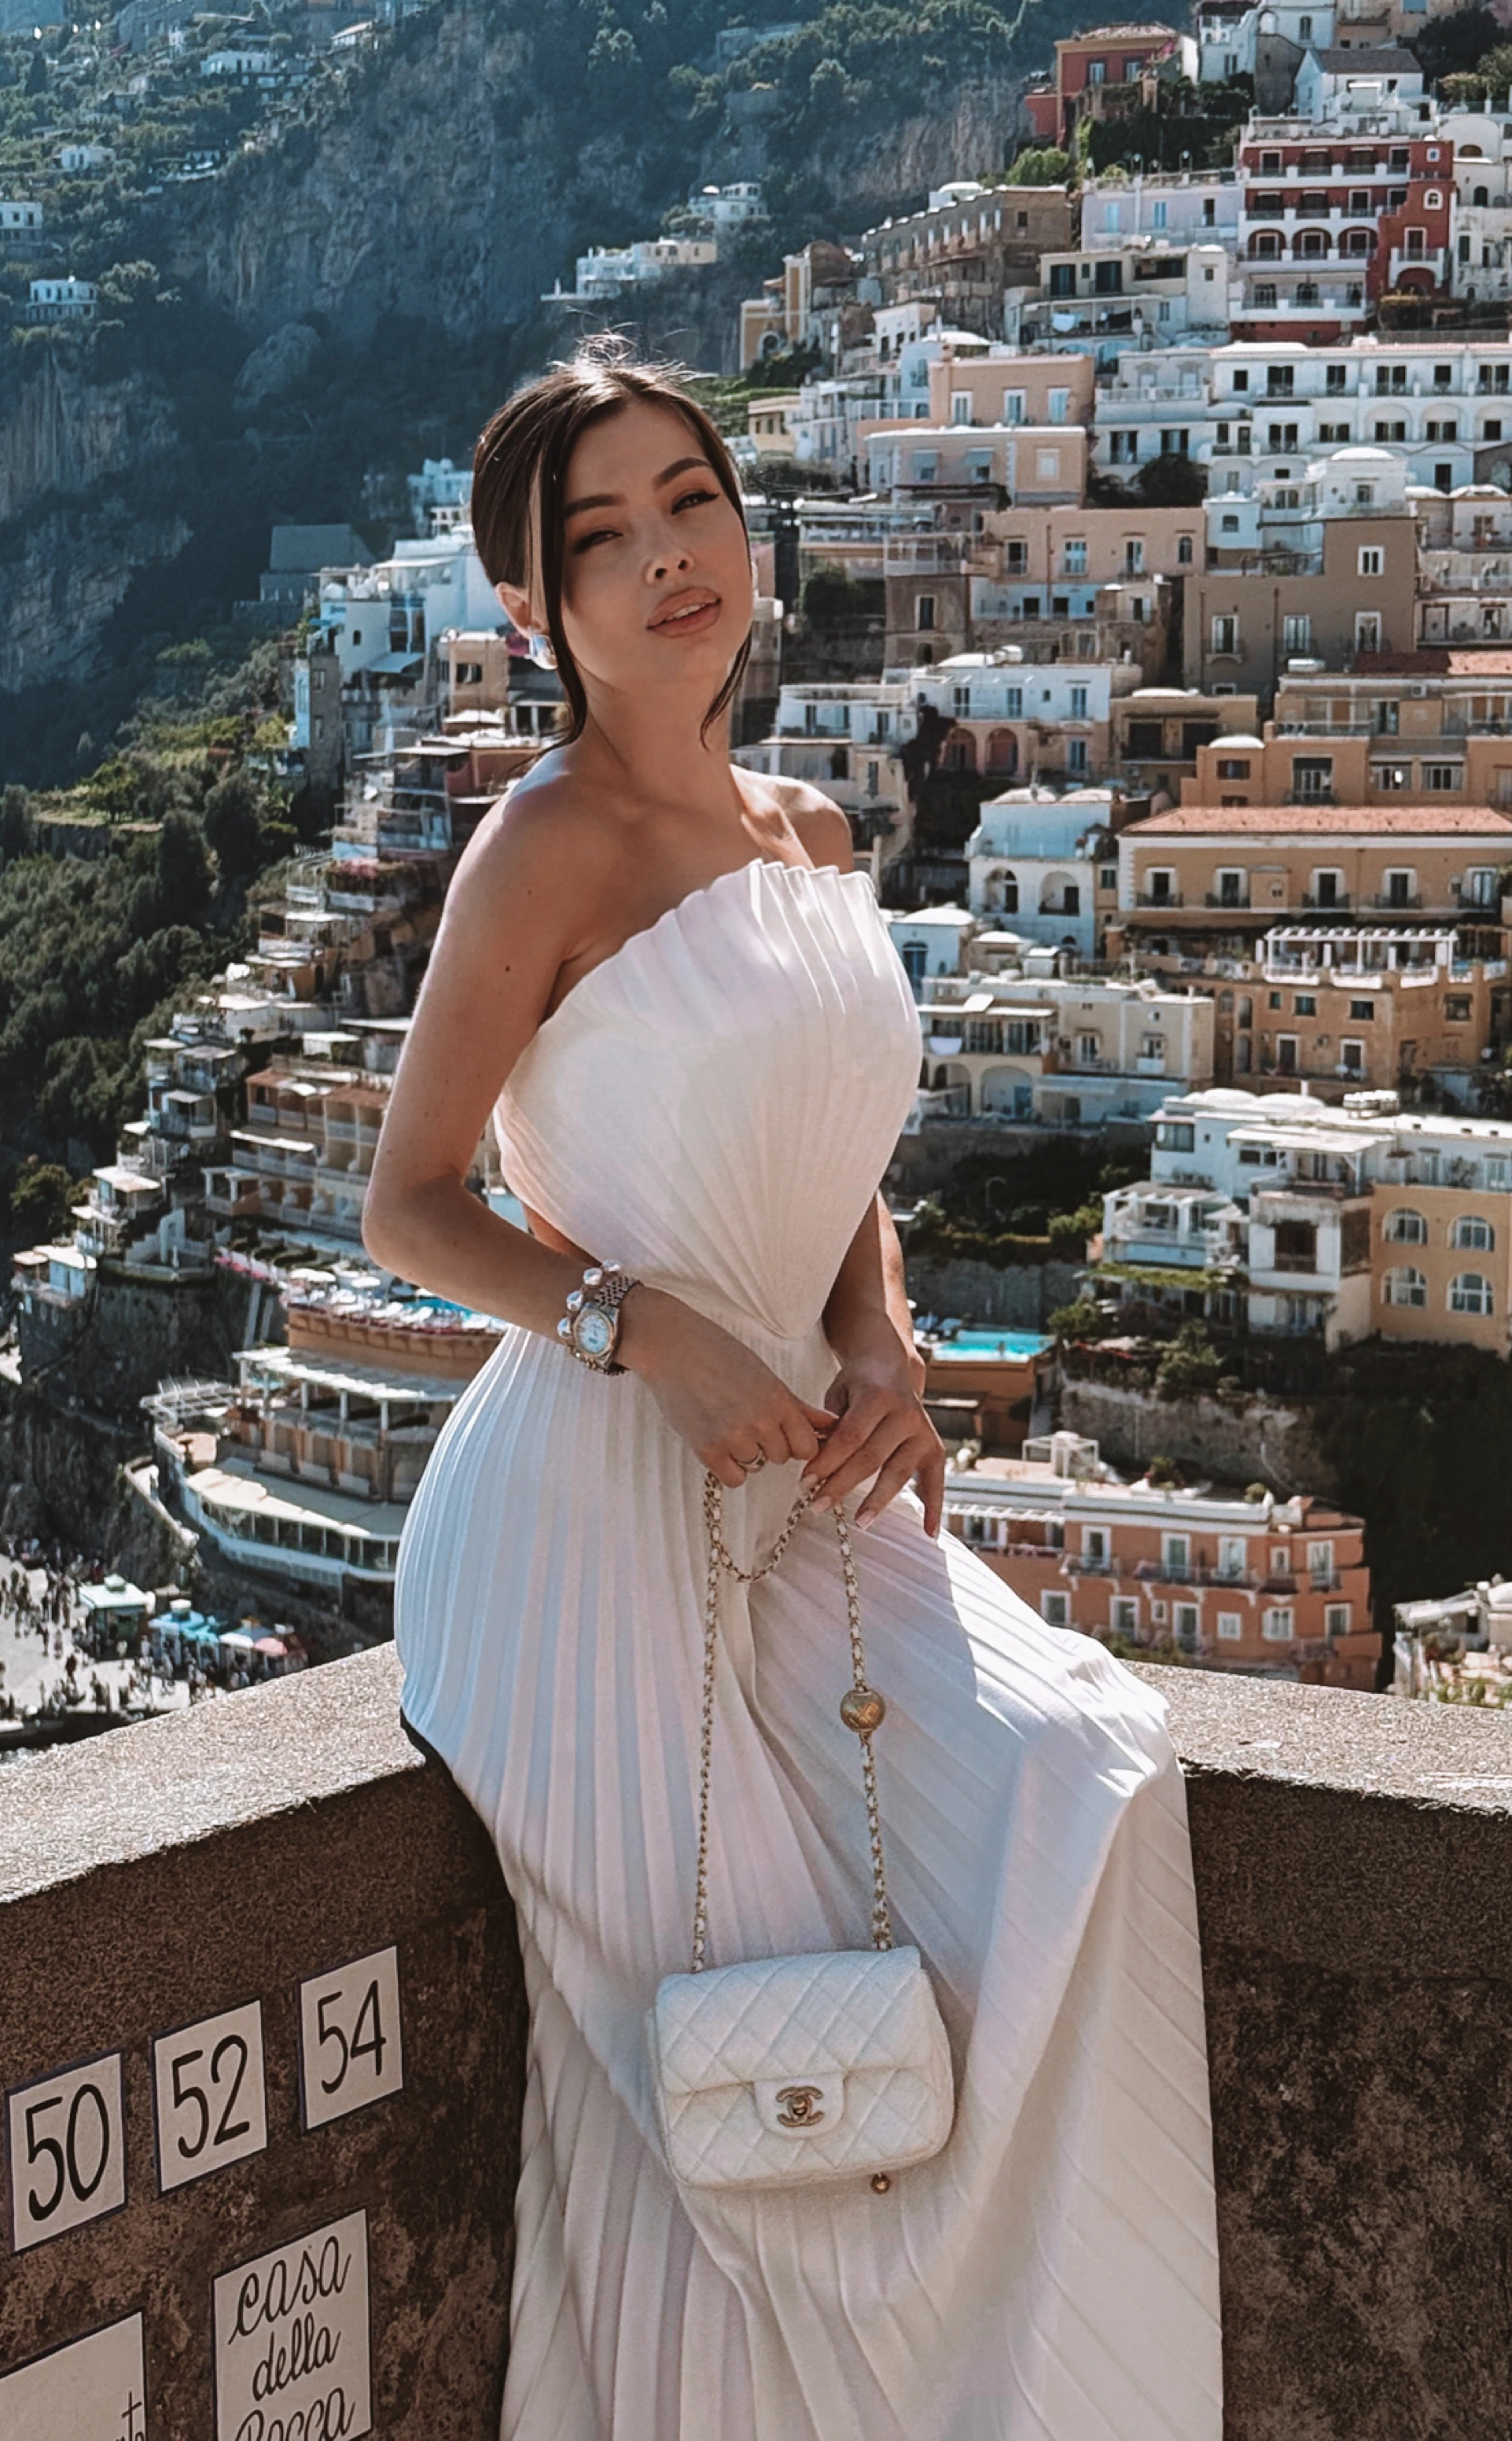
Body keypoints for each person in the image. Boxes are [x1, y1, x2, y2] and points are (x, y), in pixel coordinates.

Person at [367, 341, 1222, 2440]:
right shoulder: (543, 850)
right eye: (602, 536)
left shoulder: (812, 824)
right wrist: (640, 1330)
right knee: (737, 2099)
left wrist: (881, 1339)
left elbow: (834, 1168)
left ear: (748, 531)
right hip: (584, 1519)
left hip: (808, 1476)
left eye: (693, 500)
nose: (667, 555)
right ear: (530, 608)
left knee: (1088, 1779)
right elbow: (410, 1205)